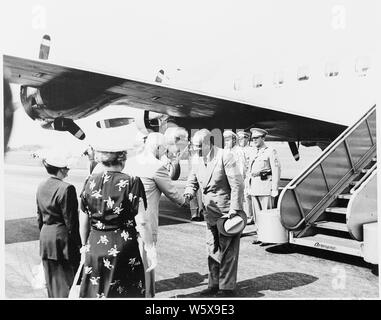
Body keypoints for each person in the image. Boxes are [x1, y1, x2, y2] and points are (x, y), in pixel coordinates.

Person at [78, 142, 157, 298]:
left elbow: (84, 218)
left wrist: (83, 245)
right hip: (123, 249)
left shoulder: (89, 181)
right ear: (123, 158)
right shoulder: (132, 181)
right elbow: (142, 221)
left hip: (95, 247)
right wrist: (150, 248)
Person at [123, 132, 187, 297]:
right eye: (163, 149)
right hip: (146, 221)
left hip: (126, 221)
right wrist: (186, 201)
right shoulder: (157, 166)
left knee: (129, 260)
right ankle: (147, 297)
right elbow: (172, 193)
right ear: (158, 147)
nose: (163, 152)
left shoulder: (129, 163)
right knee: (147, 260)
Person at [184, 129, 244, 297]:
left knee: (228, 250)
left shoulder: (225, 156)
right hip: (209, 213)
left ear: (208, 143)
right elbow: (192, 180)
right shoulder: (196, 159)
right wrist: (189, 192)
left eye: (198, 146)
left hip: (226, 214)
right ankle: (214, 284)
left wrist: (234, 209)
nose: (195, 149)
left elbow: (237, 184)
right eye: (193, 146)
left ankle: (227, 287)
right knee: (212, 249)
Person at [36, 150, 81, 298]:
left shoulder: (41, 186)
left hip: (46, 238)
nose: (68, 171)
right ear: (61, 169)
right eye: (66, 168)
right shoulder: (67, 188)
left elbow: (39, 217)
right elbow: (71, 222)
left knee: (52, 283)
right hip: (63, 241)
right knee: (68, 283)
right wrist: (79, 245)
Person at [247, 128, 281, 244]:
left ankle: (268, 236)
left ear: (263, 138)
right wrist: (248, 186)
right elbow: (249, 171)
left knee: (266, 213)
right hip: (254, 187)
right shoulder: (252, 152)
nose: (254, 140)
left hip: (265, 186)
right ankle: (260, 235)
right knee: (257, 214)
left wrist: (274, 188)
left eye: (257, 138)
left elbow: (276, 170)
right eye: (253, 138)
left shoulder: (270, 151)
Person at [236, 131, 255, 225]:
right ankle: (239, 214)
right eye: (240, 138)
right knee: (238, 196)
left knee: (247, 196)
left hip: (248, 176)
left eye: (245, 138)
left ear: (248, 139)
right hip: (237, 176)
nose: (242, 140)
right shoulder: (234, 150)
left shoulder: (252, 150)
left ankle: (249, 216)